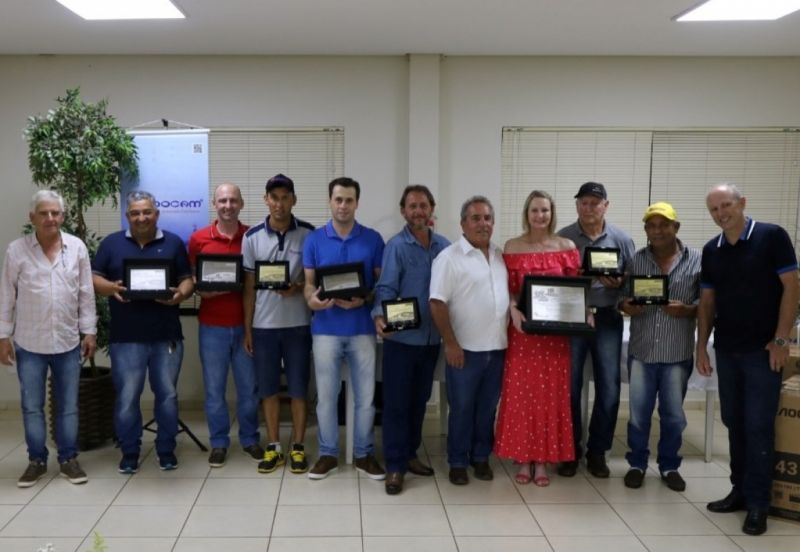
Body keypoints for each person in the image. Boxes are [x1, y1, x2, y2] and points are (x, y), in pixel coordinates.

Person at [697, 183, 798, 536]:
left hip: (763, 352)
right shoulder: (712, 250)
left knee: (757, 427)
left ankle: (758, 503)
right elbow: (707, 303)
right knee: (733, 421)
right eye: (714, 209)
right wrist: (701, 347)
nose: (721, 213)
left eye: (726, 205)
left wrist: (781, 339)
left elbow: (792, 286)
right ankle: (739, 490)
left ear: (742, 203)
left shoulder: (772, 236)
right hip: (727, 350)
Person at [92, 190, 194, 474]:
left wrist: (178, 296)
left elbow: (187, 280)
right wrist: (111, 289)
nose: (141, 217)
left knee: (168, 396)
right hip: (126, 338)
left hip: (166, 336)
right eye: (135, 213)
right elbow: (93, 278)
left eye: (146, 212)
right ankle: (129, 451)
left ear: (156, 214)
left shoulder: (173, 243)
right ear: (128, 216)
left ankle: (166, 450)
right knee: (127, 398)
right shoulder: (112, 244)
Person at [0, 190, 96, 487]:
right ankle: (36, 460)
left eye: (55, 213)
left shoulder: (77, 247)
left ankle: (68, 459)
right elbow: (6, 295)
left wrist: (89, 330)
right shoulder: (16, 250)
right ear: (32, 218)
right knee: (32, 406)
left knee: (68, 405)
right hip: (29, 343)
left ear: (63, 216)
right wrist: (3, 336)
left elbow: (85, 292)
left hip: (67, 342)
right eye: (44, 213)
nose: (50, 218)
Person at [494, 190, 580, 486]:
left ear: (552, 213)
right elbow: (506, 288)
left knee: (549, 398)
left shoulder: (566, 246)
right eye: (534, 210)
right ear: (526, 213)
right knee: (521, 396)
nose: (540, 215)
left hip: (555, 336)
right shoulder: (512, 246)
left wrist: (587, 312)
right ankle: (522, 456)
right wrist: (512, 309)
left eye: (545, 210)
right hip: (523, 333)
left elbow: (575, 291)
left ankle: (542, 461)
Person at [303, 177, 386, 480]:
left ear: (357, 203)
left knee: (366, 397)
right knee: (326, 397)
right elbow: (310, 285)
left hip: (362, 329)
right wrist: (313, 301)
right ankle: (328, 454)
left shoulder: (373, 239)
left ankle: (363, 455)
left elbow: (380, 285)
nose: (343, 206)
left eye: (349, 200)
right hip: (325, 329)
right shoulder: (314, 239)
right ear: (330, 201)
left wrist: (364, 298)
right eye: (338, 199)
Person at [372, 184, 450, 495]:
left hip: (432, 341)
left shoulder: (444, 247)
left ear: (432, 209)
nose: (418, 211)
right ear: (403, 211)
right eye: (412, 206)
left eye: (423, 205)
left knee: (419, 403)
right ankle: (394, 466)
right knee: (396, 405)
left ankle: (410, 454)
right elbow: (386, 288)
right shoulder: (396, 246)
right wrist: (380, 315)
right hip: (401, 342)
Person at [619, 202, 700, 492]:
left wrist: (689, 309)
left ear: (675, 228)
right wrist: (627, 306)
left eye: (663, 224)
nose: (657, 230)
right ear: (645, 230)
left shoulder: (697, 260)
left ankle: (669, 466)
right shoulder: (636, 261)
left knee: (674, 416)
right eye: (651, 225)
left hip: (676, 353)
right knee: (639, 415)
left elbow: (708, 302)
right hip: (642, 351)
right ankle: (637, 464)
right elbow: (624, 298)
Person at [430, 196, 509, 486]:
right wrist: (451, 343)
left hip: (497, 348)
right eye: (475, 218)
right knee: (461, 408)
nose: (483, 223)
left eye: (487, 218)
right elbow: (437, 303)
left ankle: (480, 458)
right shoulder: (449, 258)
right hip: (464, 350)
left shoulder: (500, 256)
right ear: (463, 223)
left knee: (487, 408)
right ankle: (458, 461)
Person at [557, 181, 634, 478]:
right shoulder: (563, 238)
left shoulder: (621, 239)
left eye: (595, 202)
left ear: (606, 205)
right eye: (584, 203)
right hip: (572, 318)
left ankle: (597, 452)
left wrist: (620, 284)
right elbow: (553, 282)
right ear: (577, 205)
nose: (589, 208)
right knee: (569, 388)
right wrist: (575, 281)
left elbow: (630, 283)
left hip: (607, 318)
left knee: (609, 388)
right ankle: (570, 451)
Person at [242, 174, 314, 474]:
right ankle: (274, 446)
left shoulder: (310, 234)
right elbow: (248, 287)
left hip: (299, 324)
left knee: (298, 389)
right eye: (274, 197)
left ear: (293, 200)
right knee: (268, 389)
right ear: (266, 200)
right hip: (264, 327)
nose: (279, 204)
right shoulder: (252, 237)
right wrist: (248, 329)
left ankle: (297, 446)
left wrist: (296, 287)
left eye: (285, 197)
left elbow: (315, 281)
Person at [188, 183, 262, 468]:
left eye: (233, 200)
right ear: (214, 204)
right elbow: (194, 278)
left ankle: (250, 439)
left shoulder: (252, 237)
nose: (228, 205)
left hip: (247, 326)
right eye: (223, 200)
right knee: (214, 390)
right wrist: (200, 289)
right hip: (212, 327)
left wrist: (249, 327)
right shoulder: (198, 239)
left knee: (248, 389)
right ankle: (218, 442)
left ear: (241, 204)